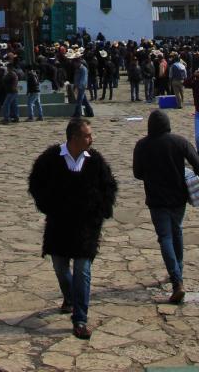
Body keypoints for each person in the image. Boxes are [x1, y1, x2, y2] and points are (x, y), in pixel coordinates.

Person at [28, 120, 117, 341]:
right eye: (87, 135)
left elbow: (109, 187)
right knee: (60, 266)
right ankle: (70, 297)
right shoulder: (50, 159)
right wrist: (49, 205)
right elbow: (36, 184)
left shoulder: (95, 161)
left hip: (86, 226)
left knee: (83, 269)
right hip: (59, 224)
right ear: (74, 138)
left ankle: (80, 318)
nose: (91, 138)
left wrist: (102, 211)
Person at [132, 108, 199, 303]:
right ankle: (177, 273)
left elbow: (137, 173)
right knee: (176, 231)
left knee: (165, 237)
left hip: (156, 199)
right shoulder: (179, 142)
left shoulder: (142, 145)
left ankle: (176, 279)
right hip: (178, 197)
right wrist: (196, 185)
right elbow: (198, 164)